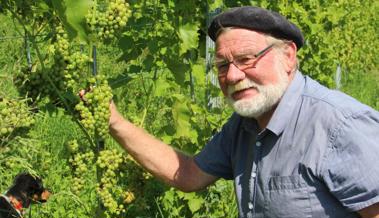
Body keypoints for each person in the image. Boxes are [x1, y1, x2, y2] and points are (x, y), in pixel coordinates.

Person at [108, 6, 379, 218]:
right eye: (223, 65)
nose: (233, 76)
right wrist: (115, 121)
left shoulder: (340, 125)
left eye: (247, 59)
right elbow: (189, 174)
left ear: (288, 57)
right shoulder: (243, 125)